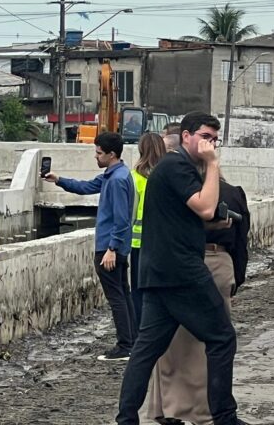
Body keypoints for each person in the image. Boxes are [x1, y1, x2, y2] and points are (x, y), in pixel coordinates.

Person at [116, 111, 248, 425]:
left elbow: (190, 216)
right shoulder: (177, 165)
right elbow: (203, 206)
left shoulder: (174, 167)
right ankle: (224, 416)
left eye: (214, 140)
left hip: (159, 272)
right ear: (186, 136)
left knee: (146, 350)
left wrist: (216, 218)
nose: (210, 144)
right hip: (182, 272)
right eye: (205, 137)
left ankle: (126, 419)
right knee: (222, 338)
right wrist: (213, 164)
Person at [147, 175, 251, 425]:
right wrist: (237, 278)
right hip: (219, 264)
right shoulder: (232, 193)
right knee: (216, 344)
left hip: (181, 265)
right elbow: (241, 241)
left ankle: (170, 407)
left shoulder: (177, 192)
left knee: (174, 342)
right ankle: (209, 410)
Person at [45, 131, 136, 361]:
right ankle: (132, 341)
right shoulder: (115, 174)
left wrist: (111, 249)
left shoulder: (116, 180)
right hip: (115, 246)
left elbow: (121, 218)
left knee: (116, 297)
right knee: (123, 294)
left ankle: (125, 345)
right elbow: (86, 187)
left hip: (109, 248)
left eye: (98, 153)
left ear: (111, 154)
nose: (95, 157)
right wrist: (59, 180)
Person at [130, 132, 167, 327]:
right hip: (164, 243)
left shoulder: (135, 177)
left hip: (138, 243)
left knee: (138, 290)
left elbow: (131, 212)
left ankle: (140, 331)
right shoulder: (168, 174)